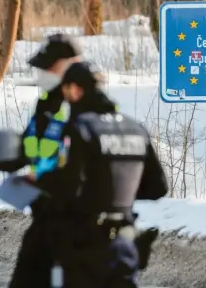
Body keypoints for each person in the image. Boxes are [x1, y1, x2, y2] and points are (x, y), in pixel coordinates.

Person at [28, 61, 168, 288]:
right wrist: (118, 195)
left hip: (84, 249)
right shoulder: (135, 129)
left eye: (66, 93)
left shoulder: (80, 129)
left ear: (74, 90)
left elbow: (67, 188)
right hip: (124, 246)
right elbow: (158, 188)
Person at [4, 33, 82, 288]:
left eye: (48, 68)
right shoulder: (46, 105)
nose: (41, 74)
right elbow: (29, 146)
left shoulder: (87, 106)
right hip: (44, 218)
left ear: (69, 65)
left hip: (78, 223)